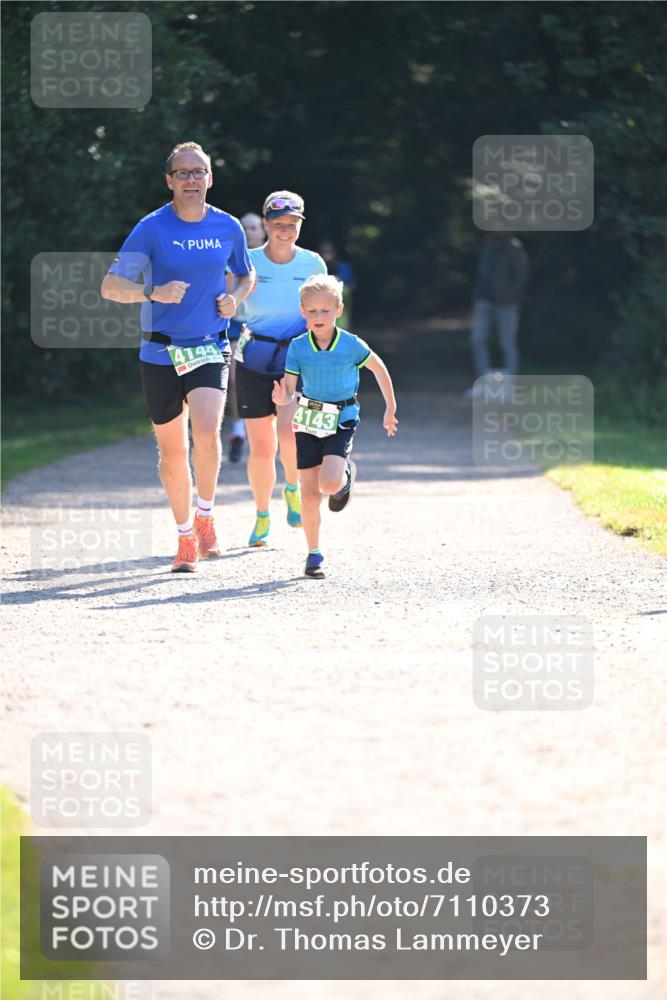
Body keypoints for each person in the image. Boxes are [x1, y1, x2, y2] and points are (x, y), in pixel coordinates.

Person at [101, 141, 254, 572]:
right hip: (161, 350)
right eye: (182, 173)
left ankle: (205, 515)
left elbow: (246, 272)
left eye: (198, 172)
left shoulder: (228, 227)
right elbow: (110, 287)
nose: (191, 179)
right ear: (170, 181)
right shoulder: (151, 229)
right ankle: (185, 535)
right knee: (171, 452)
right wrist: (154, 291)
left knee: (206, 433)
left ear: (210, 178)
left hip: (209, 345)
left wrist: (235, 298)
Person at [272, 274, 397, 579]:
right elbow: (289, 388)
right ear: (302, 311)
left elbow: (379, 369)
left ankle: (344, 476)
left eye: (325, 310)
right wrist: (282, 396)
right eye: (312, 311)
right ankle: (314, 555)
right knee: (310, 494)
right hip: (309, 419)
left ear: (338, 310)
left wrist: (390, 408)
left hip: (341, 418)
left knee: (328, 484)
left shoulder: (352, 345)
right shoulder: (298, 347)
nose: (319, 316)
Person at [233, 190, 327, 547]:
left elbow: (325, 310)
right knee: (261, 446)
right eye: (279, 224)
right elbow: (228, 302)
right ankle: (261, 516)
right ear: (266, 224)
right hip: (254, 353)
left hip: (294, 357)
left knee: (288, 433)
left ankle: (291, 488)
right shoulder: (247, 262)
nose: (286, 230)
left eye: (293, 224)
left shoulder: (313, 263)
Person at [465, 230, 528, 395]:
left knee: (507, 343)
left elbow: (521, 276)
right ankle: (483, 381)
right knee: (477, 339)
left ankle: (511, 384)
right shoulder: (488, 245)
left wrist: (509, 296)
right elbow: (482, 274)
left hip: (506, 303)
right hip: (484, 300)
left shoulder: (514, 247)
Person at [227, 212, 265, 463]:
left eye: (254, 227)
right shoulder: (228, 256)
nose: (249, 231)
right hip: (235, 325)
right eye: (245, 227)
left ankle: (261, 432)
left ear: (262, 231)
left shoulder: (271, 259)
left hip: (262, 328)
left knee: (263, 382)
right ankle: (238, 432)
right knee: (234, 379)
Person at [319, 239, 357, 328]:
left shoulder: (344, 267)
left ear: (334, 252)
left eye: (329, 251)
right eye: (324, 252)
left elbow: (353, 284)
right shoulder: (317, 267)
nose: (327, 254)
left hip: (341, 307)